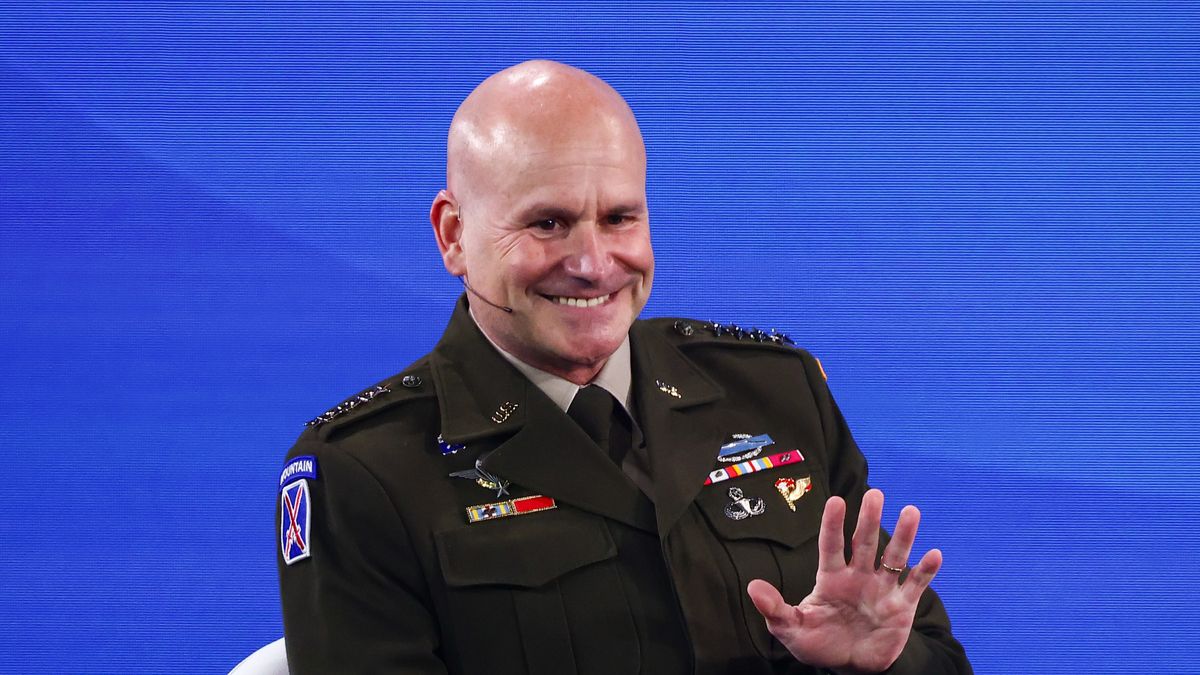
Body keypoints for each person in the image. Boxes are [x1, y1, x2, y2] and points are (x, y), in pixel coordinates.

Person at [277, 60, 972, 675]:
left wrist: (871, 668)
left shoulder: (774, 392)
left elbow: (938, 659)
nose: (592, 262)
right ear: (453, 234)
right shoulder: (362, 472)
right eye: (548, 223)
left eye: (618, 217)